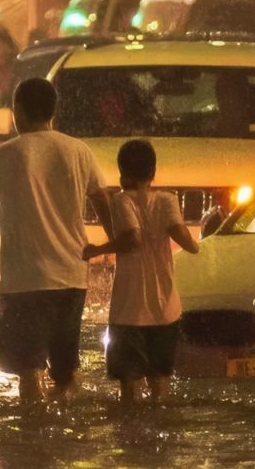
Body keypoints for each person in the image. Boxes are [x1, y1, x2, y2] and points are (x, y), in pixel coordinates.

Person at [0, 78, 113, 404]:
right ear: (53, 112)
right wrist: (117, 246)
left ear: (19, 112)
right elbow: (104, 204)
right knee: (65, 372)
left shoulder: (8, 154)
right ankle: (67, 430)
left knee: (29, 371)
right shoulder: (79, 151)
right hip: (72, 278)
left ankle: (34, 437)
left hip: (26, 283)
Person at [83, 139, 200, 404]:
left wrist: (96, 249)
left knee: (129, 388)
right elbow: (183, 238)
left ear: (123, 174)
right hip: (166, 310)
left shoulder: (122, 201)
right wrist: (197, 244)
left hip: (130, 312)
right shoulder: (168, 200)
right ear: (153, 173)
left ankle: (132, 440)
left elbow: (132, 239)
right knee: (160, 386)